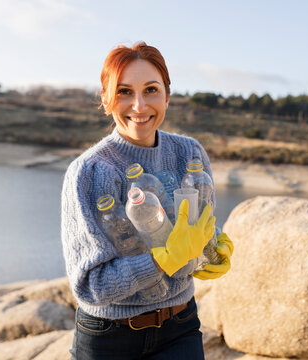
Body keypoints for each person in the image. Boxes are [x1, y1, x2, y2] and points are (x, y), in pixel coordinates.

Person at [61, 41, 234, 360]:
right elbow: (91, 286)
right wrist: (162, 260)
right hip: (107, 338)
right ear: (106, 99)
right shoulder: (89, 172)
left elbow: (192, 229)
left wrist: (212, 246)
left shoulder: (189, 154)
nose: (139, 106)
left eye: (151, 89)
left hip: (179, 327)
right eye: (124, 91)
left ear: (167, 95)